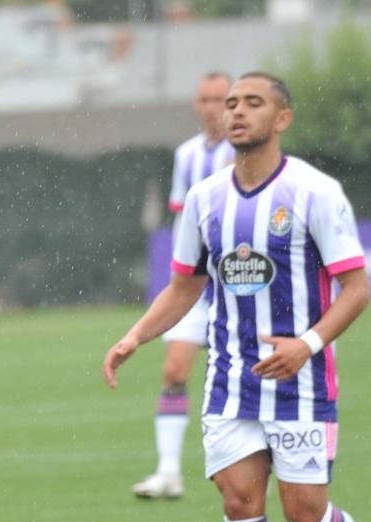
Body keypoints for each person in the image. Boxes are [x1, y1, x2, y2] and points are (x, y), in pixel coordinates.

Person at [104, 72, 371, 522]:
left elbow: (356, 288)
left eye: (253, 102)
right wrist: (135, 336)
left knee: (306, 515)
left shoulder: (315, 192)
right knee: (239, 502)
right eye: (231, 104)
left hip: (300, 383)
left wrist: (307, 343)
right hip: (230, 383)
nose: (237, 112)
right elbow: (184, 285)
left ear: (282, 119)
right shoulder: (204, 198)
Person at [133, 72, 235, 499]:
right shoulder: (187, 154)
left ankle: (259, 466)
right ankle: (169, 472)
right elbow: (181, 219)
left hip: (236, 289)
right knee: (175, 370)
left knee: (246, 380)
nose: (210, 106)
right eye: (204, 98)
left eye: (219, 98)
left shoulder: (246, 152)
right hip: (195, 288)